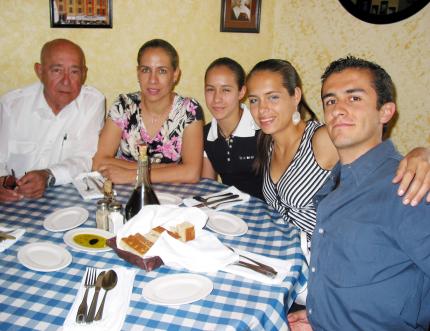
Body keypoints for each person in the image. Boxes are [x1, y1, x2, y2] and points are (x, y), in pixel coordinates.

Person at [288, 56, 430, 330]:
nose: (337, 110)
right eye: (330, 101)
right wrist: (322, 316)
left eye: (354, 99)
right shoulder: (338, 178)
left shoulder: (408, 188)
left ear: (385, 112)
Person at [246, 59, 430, 246]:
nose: (262, 109)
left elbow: (376, 158)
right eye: (254, 100)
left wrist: (421, 153)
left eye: (273, 97)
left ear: (295, 96)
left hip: (319, 259)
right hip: (281, 252)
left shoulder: (321, 139)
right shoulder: (267, 142)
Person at [0, 38, 105, 202]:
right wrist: (2, 179)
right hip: (13, 201)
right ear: (39, 71)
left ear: (84, 74)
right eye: (57, 70)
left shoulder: (92, 102)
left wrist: (48, 175)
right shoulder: (11, 105)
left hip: (66, 201)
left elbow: (85, 158)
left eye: (74, 72)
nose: (66, 81)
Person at [93, 39, 204, 184]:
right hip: (126, 195)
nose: (153, 80)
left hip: (172, 198)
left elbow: (191, 173)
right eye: (146, 70)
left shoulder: (189, 110)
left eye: (162, 71)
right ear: (138, 73)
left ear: (175, 74)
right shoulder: (123, 106)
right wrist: (170, 169)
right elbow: (99, 162)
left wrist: (133, 175)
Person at [202, 57, 263, 199]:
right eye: (210, 89)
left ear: (241, 92)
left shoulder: (263, 130)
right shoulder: (206, 134)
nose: (217, 99)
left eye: (226, 90)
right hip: (231, 212)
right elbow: (208, 186)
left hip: (267, 211)